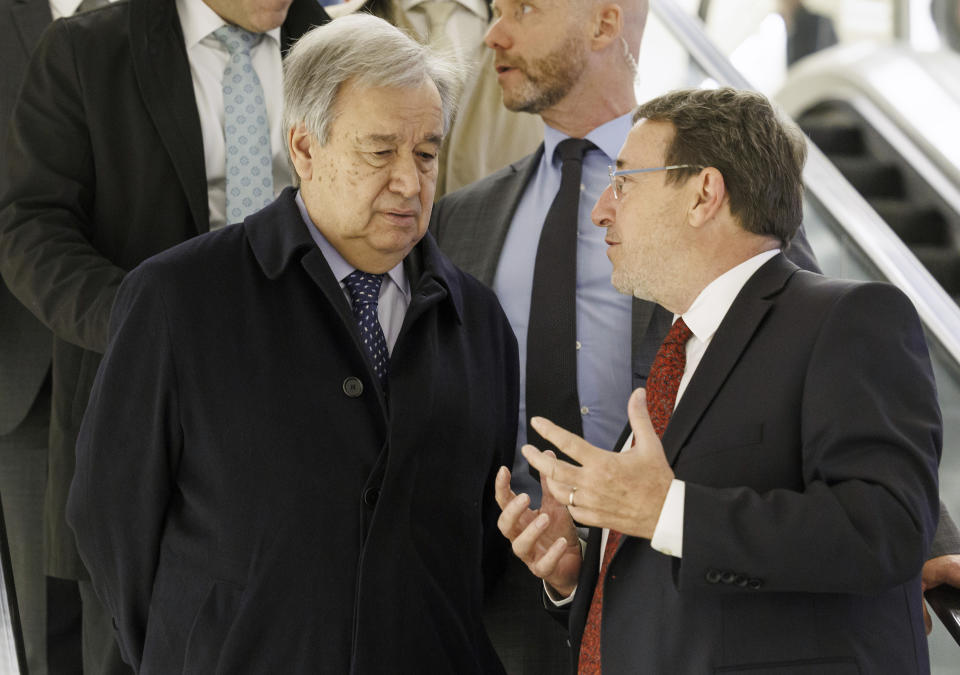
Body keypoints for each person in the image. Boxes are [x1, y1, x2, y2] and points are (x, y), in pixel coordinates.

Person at [66, 14, 518, 673]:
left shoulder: (477, 320)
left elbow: (482, 543)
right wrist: (196, 650)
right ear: (304, 150)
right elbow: (110, 518)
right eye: (379, 151)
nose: (409, 181)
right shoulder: (177, 298)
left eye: (425, 153)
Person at [427, 0, 819, 669]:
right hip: (508, 575)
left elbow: (820, 349)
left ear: (604, 25)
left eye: (523, 8)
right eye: (494, 10)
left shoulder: (711, 193)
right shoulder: (462, 217)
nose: (494, 33)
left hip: (662, 575)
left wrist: (928, 537)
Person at [498, 86, 942, 673]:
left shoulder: (849, 319)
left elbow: (886, 527)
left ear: (704, 193)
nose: (601, 208)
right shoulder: (679, 351)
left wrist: (662, 510)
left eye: (625, 181)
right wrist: (581, 568)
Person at [0, 0, 330, 671]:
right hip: (138, 418)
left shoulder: (334, 46)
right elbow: (32, 229)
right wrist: (148, 325)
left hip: (307, 418)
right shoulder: (88, 51)